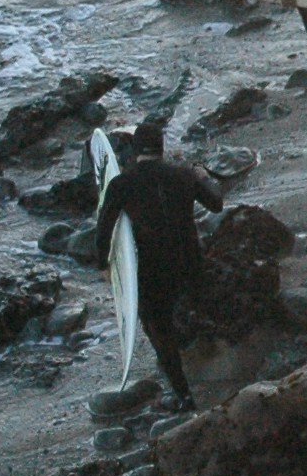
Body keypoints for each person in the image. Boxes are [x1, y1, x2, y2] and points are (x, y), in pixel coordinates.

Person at [93, 122, 225, 410]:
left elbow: (104, 230)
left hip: (154, 268)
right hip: (192, 262)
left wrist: (104, 265)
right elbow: (216, 204)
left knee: (158, 330)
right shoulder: (184, 175)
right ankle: (214, 356)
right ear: (162, 148)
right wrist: (203, 176)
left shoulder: (122, 184)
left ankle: (184, 396)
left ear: (134, 150)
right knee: (194, 309)